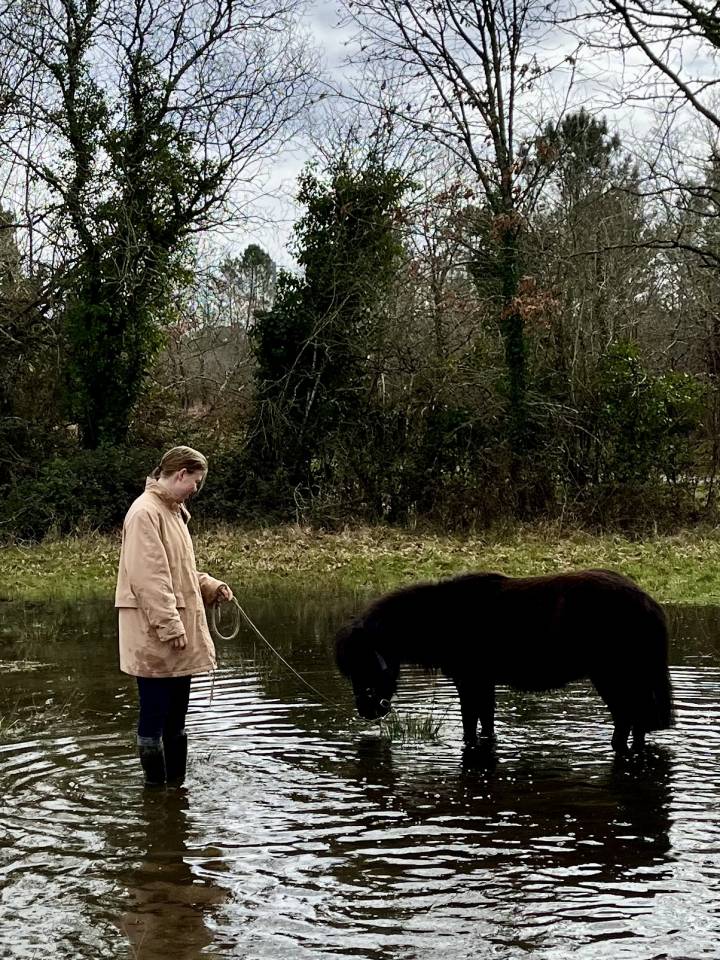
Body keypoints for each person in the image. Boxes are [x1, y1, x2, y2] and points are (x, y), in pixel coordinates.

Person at [115, 446, 233, 787]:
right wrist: (169, 625)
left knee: (176, 719)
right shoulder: (145, 513)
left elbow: (179, 573)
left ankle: (175, 790)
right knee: (153, 718)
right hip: (154, 636)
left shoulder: (172, 512)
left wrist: (211, 587)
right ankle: (155, 795)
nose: (196, 490)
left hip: (174, 632)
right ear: (181, 474)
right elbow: (148, 578)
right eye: (195, 482)